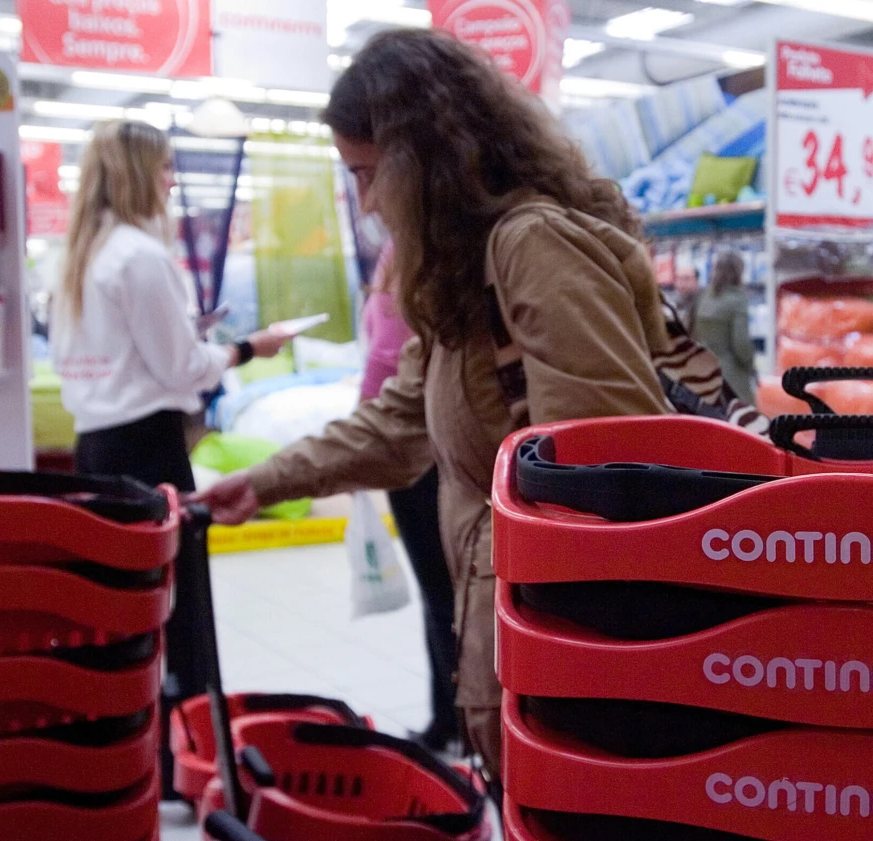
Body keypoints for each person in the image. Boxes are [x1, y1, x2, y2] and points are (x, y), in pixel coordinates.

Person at [192, 29, 671, 782]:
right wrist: (267, 480)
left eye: (368, 174)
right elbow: (398, 420)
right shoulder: (462, 275)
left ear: (423, 162)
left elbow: (612, 475)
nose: (366, 203)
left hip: (572, 670)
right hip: (519, 650)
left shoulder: (531, 247)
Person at [49, 119, 288, 793]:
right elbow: (184, 370)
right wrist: (245, 348)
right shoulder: (140, 256)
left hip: (95, 447)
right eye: (163, 170)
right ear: (135, 174)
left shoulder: (79, 254)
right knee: (176, 604)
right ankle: (183, 752)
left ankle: (122, 748)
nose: (172, 181)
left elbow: (130, 357)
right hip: (149, 447)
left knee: (112, 606)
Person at [360, 239, 459, 752]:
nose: (366, 197)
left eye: (368, 175)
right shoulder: (397, 251)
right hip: (401, 442)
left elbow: (388, 352)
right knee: (437, 593)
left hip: (424, 445)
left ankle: (461, 718)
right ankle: (447, 714)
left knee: (447, 597)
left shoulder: (429, 250)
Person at [691, 250, 754, 403]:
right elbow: (741, 343)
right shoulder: (738, 300)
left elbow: (693, 333)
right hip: (732, 377)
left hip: (704, 372)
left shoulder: (703, 296)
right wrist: (750, 364)